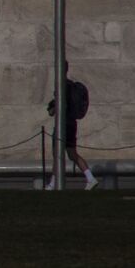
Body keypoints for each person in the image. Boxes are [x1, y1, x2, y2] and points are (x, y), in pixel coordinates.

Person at [46, 61, 98, 190]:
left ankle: (52, 184)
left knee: (57, 154)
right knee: (72, 154)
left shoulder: (62, 86)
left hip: (62, 124)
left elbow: (56, 108)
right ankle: (90, 178)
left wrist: (52, 107)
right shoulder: (69, 85)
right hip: (71, 124)